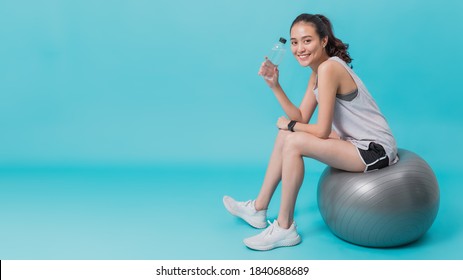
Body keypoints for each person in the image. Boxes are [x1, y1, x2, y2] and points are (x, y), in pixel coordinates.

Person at [223, 13, 398, 251]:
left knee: (293, 140)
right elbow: (302, 117)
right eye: (295, 42)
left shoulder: (329, 69)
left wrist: (291, 126)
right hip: (353, 140)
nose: (299, 48)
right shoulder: (318, 71)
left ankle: (285, 228)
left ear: (323, 41)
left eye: (307, 41)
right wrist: (275, 86)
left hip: (374, 149)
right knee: (286, 135)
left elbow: (322, 130)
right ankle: (258, 209)